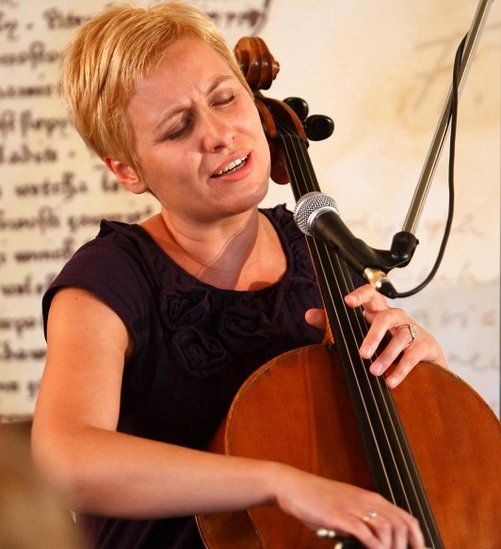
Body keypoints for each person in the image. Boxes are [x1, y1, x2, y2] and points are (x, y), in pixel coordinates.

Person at [31, 2, 448, 548]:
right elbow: (65, 461)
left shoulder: (318, 249)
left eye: (227, 99)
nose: (220, 134)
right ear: (127, 169)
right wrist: (276, 482)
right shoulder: (109, 279)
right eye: (179, 128)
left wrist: (424, 371)